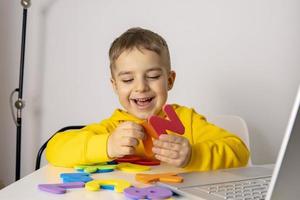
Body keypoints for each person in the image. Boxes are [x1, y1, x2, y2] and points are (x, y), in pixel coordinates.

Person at [46, 27, 249, 171]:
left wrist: (194, 155)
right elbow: (54, 149)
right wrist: (107, 145)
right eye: (127, 79)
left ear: (170, 80)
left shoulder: (187, 121)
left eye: (153, 76)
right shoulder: (114, 128)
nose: (141, 87)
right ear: (115, 86)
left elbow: (239, 150)